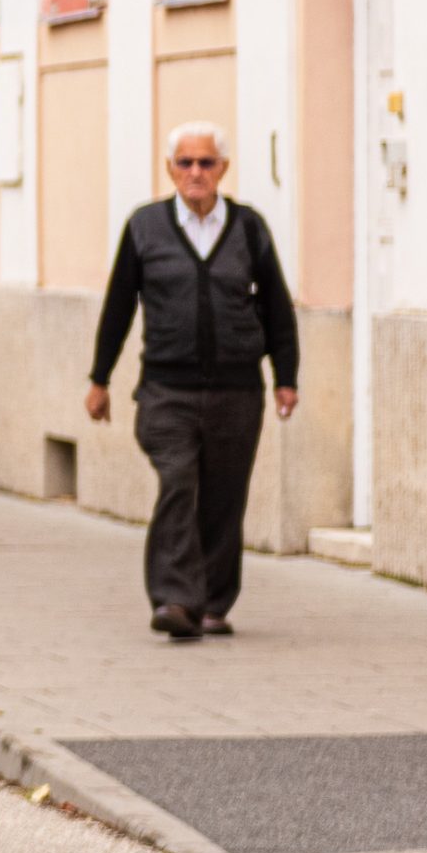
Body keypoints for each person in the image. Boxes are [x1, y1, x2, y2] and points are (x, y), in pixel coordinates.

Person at [87, 120, 301, 641]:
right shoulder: (145, 227)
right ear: (170, 169)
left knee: (225, 497)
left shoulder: (249, 228)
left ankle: (214, 603)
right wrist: (100, 378)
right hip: (167, 390)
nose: (196, 172)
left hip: (236, 389)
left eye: (206, 162)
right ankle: (176, 599)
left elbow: (277, 307)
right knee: (179, 482)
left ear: (223, 168)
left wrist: (285, 377)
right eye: (186, 163)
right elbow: (118, 306)